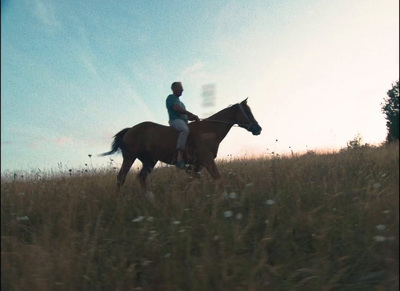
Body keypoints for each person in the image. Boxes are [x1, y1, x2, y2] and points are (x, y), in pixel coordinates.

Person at [166, 82, 199, 169]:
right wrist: (190, 113)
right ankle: (179, 157)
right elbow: (177, 109)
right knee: (185, 130)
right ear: (175, 88)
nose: (182, 90)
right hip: (175, 121)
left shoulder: (182, 104)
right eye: (180, 88)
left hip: (183, 121)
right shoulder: (171, 98)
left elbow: (185, 116)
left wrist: (193, 118)